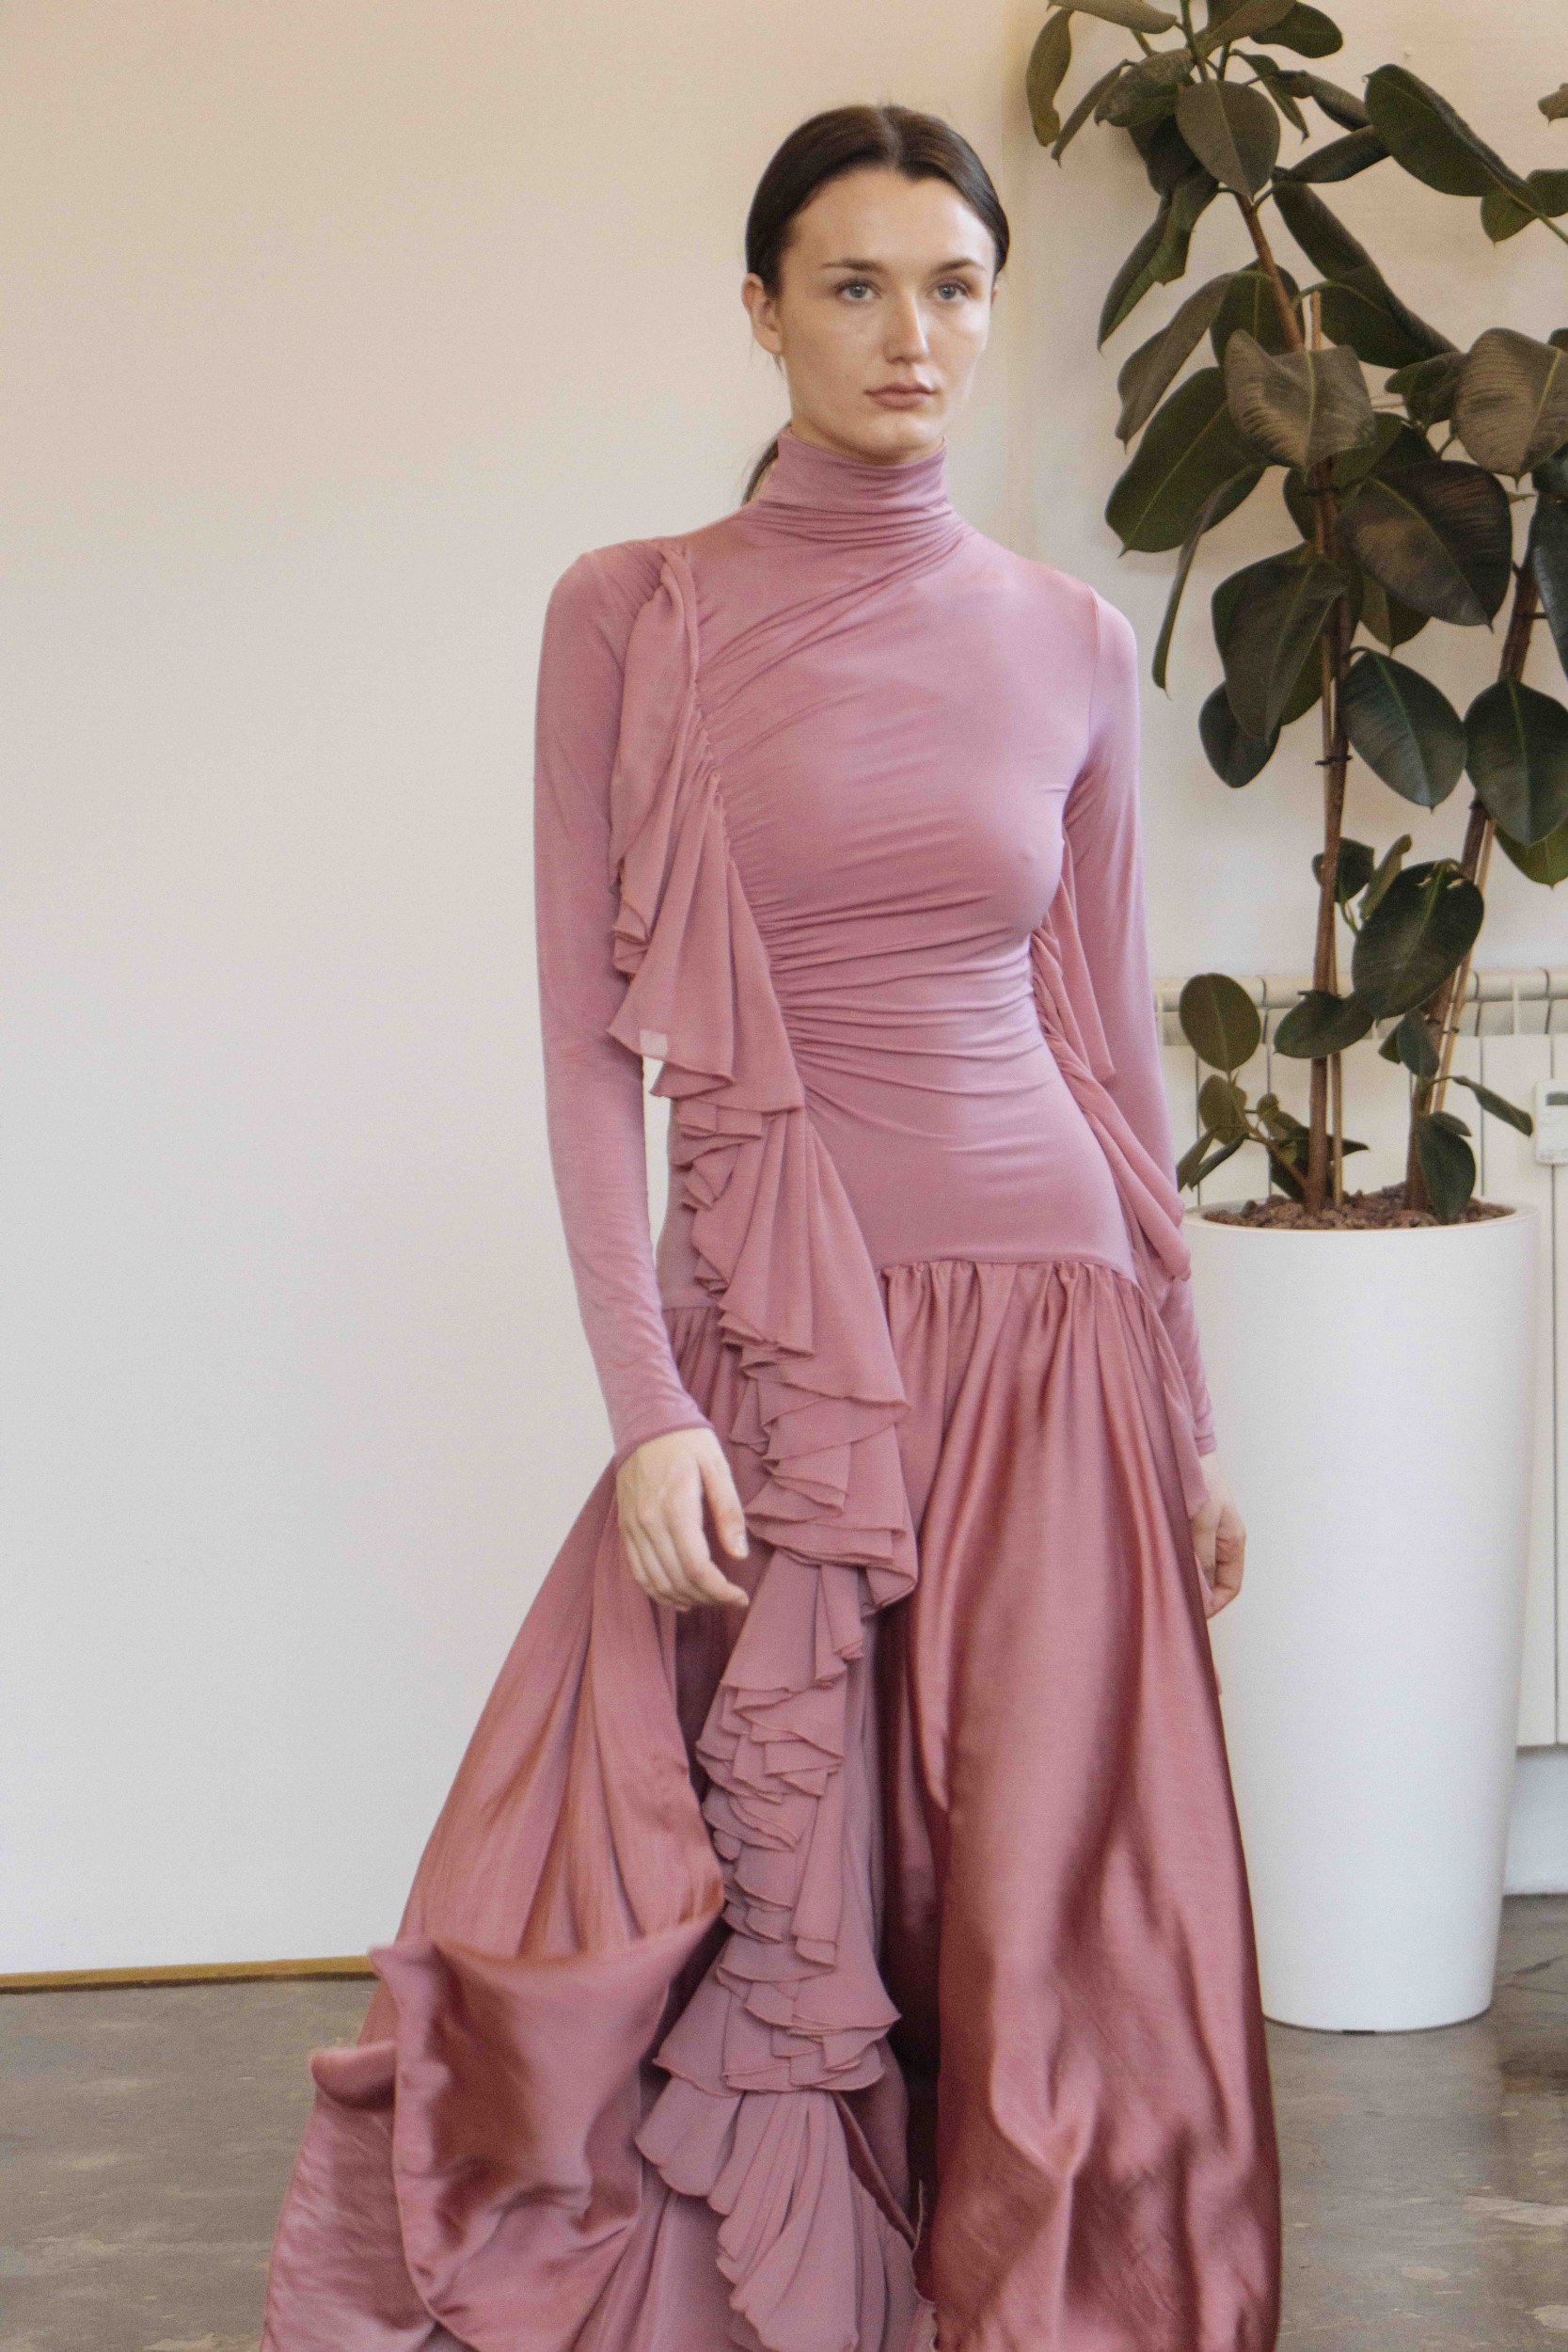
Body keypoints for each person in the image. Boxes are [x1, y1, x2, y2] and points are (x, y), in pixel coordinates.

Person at [261, 101, 1281, 2352]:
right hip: (785, 1359)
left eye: (953, 287)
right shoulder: (630, 612)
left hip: (1057, 1346)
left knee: (1041, 1928)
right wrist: (645, 1403)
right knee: (705, 1897)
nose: (910, 332)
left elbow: (1110, 1061)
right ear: (759, 310)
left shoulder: (1075, 639)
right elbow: (576, 1051)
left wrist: (1189, 1416)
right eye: (852, 283)